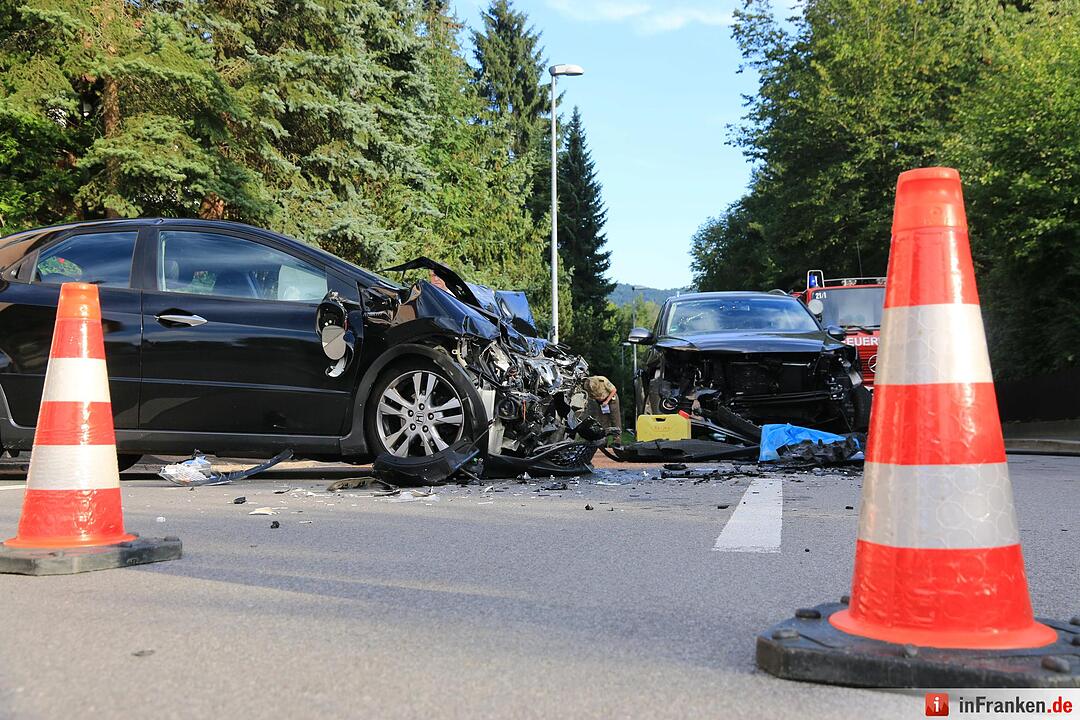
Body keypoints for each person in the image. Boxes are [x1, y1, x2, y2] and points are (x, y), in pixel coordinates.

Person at [584, 375, 622, 445]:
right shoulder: (587, 384)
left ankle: (616, 440)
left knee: (615, 420)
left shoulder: (602, 380)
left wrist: (607, 401)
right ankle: (603, 440)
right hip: (601, 404)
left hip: (611, 400)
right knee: (603, 421)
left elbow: (614, 390)